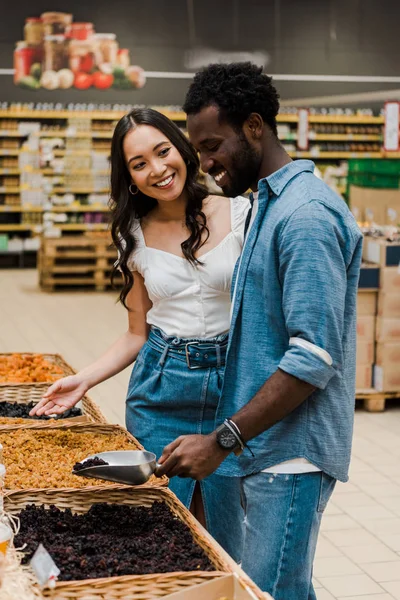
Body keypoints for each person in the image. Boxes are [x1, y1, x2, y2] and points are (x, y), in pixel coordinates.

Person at [156, 63, 363, 599]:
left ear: (254, 127)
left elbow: (312, 358)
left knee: (270, 592)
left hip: (292, 454)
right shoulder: (267, 205)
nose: (203, 163)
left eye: (211, 146)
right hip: (266, 446)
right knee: (277, 587)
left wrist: (223, 440)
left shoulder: (306, 216)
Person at [30, 107, 248, 561]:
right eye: (139, 163)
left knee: (230, 536)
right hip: (163, 391)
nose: (157, 169)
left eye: (162, 151)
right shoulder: (134, 235)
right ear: (129, 177)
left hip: (237, 390)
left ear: (182, 148)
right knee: (165, 531)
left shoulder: (242, 213)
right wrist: (84, 380)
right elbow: (136, 332)